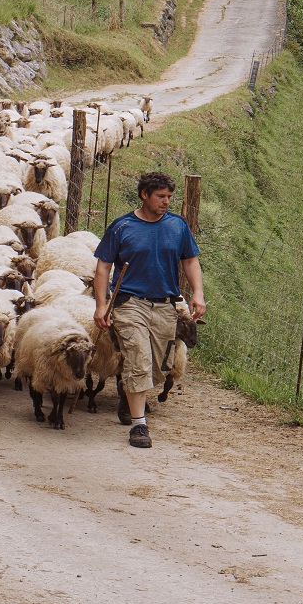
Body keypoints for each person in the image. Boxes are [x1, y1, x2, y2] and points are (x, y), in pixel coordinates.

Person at [93, 171, 205, 448]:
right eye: (160, 196)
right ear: (144, 195)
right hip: (130, 304)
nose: (166, 202)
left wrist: (198, 293)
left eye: (169, 197)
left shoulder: (177, 226)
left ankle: (129, 393)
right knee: (138, 360)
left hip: (165, 305)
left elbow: (190, 261)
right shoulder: (122, 227)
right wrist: (101, 304)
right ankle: (139, 426)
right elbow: (104, 267)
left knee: (158, 367)